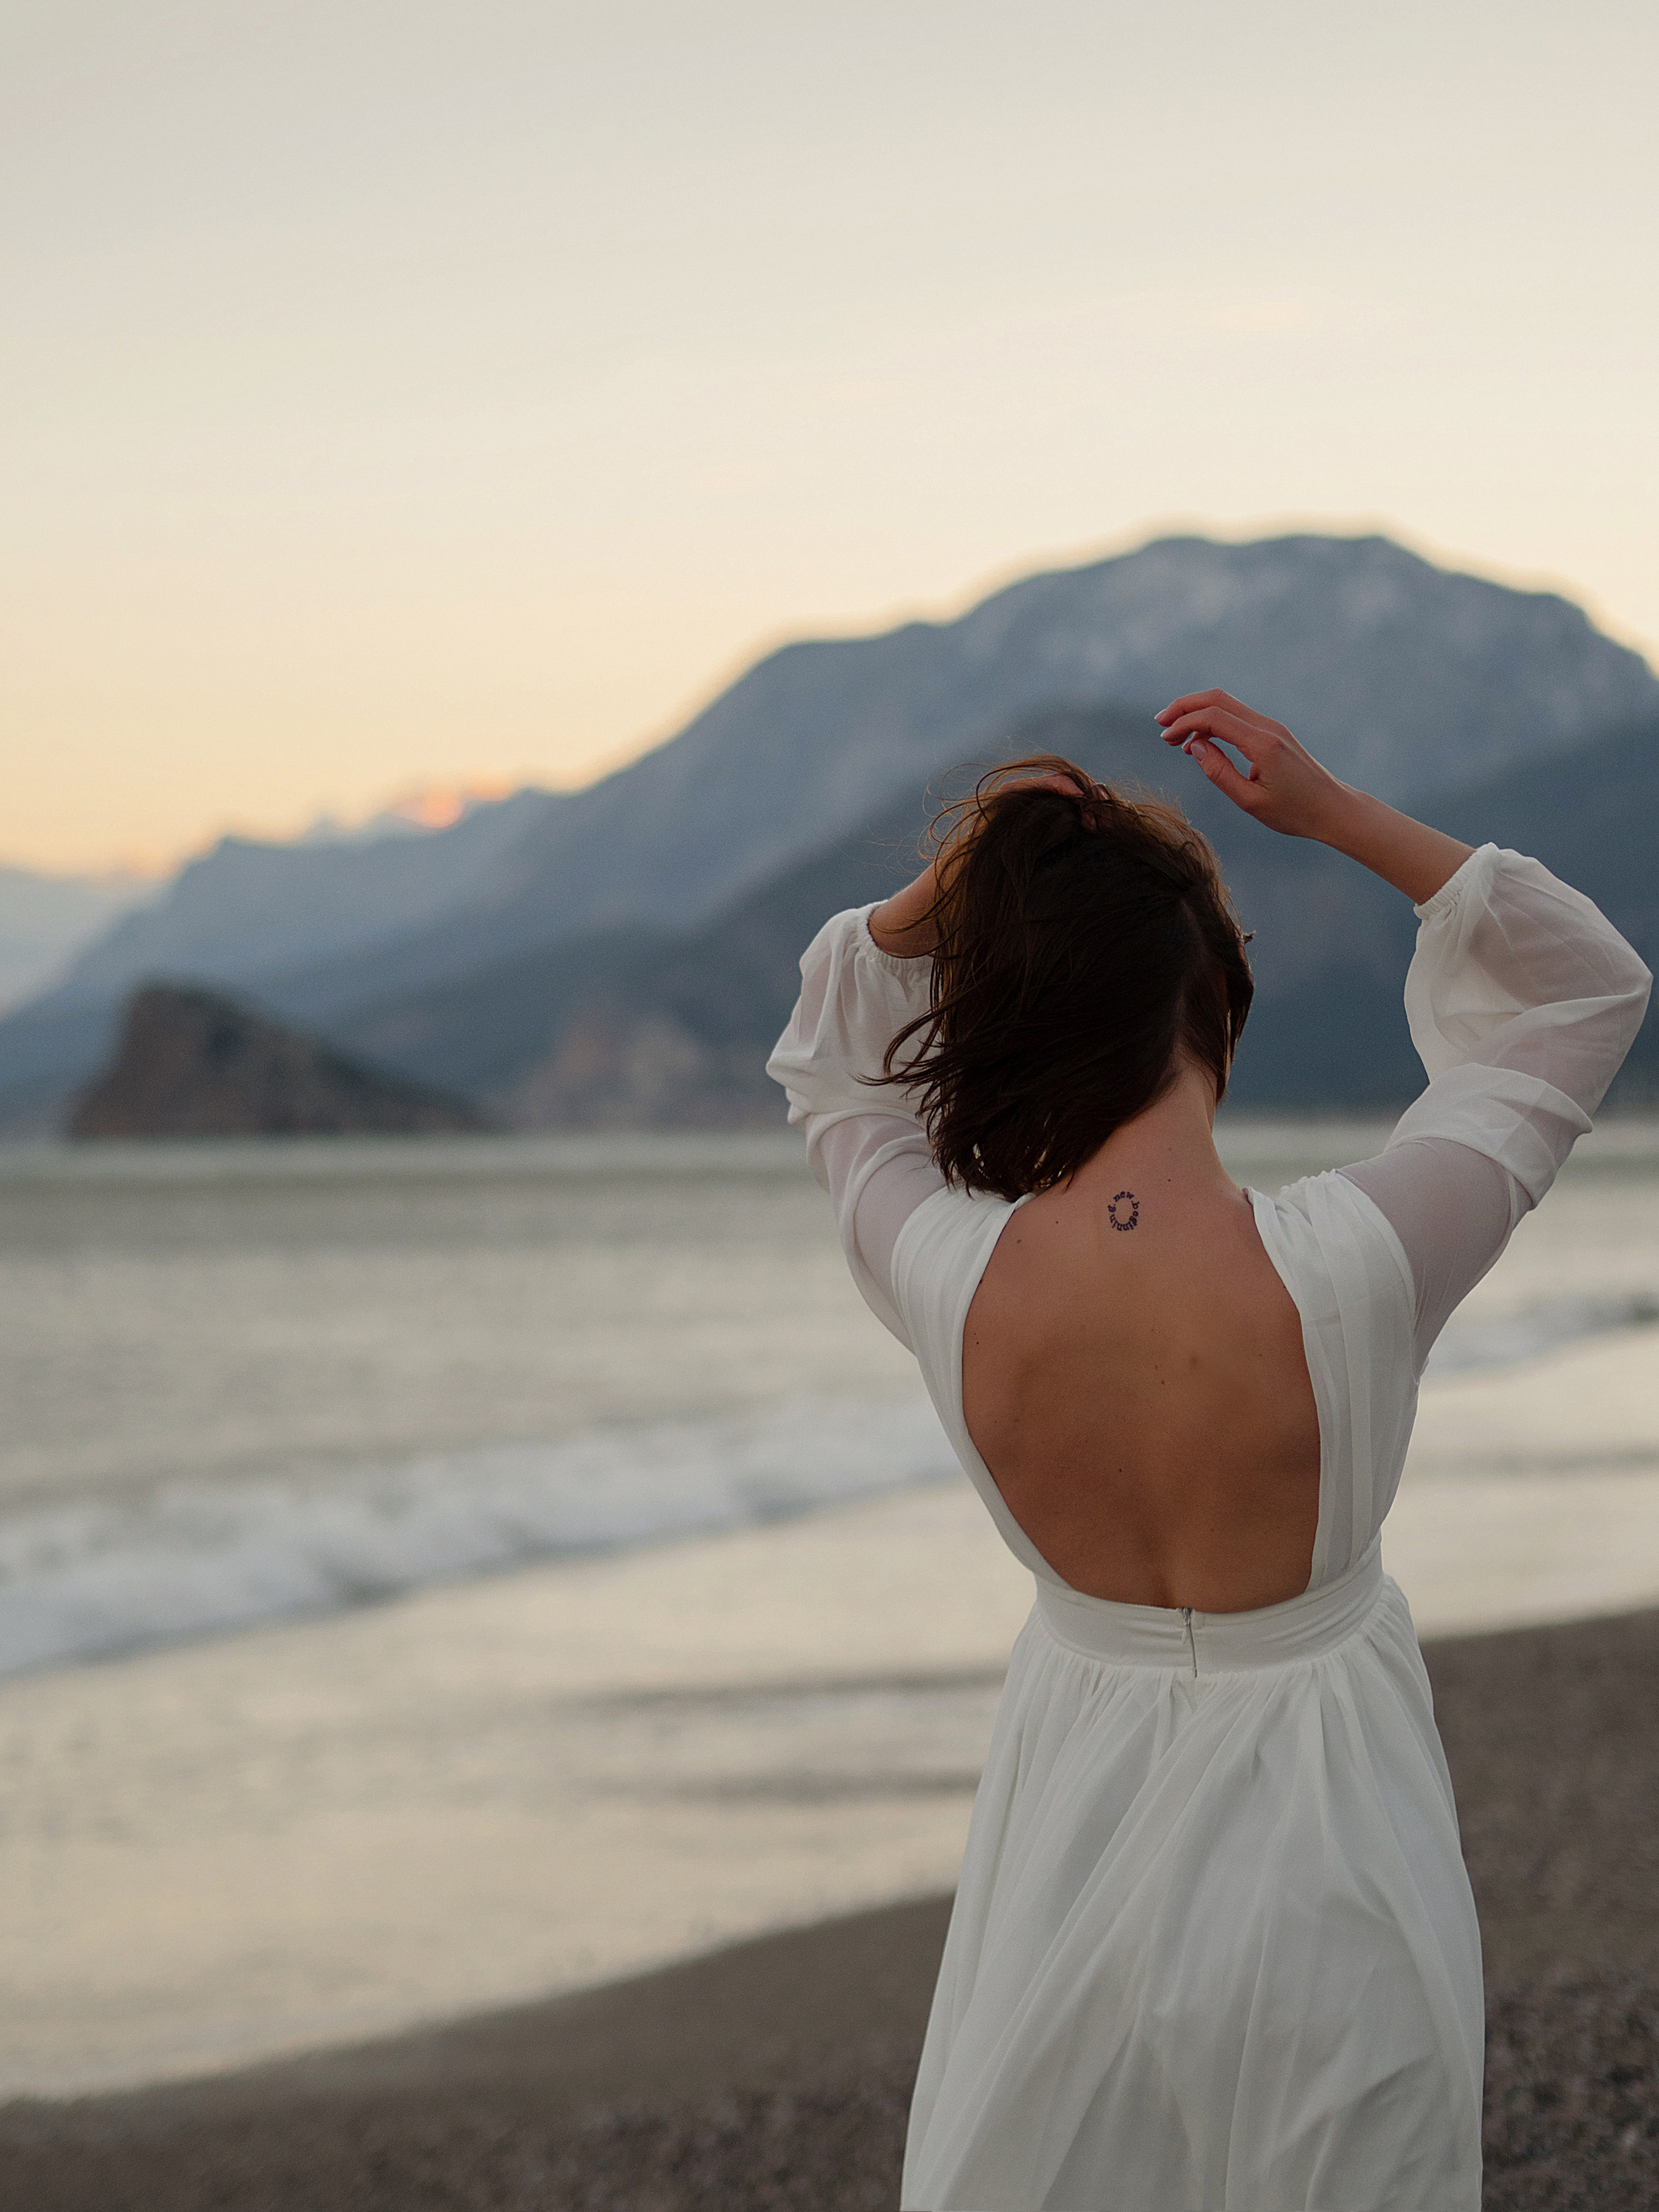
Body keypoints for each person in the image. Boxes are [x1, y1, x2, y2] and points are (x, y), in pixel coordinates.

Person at [765, 690, 1651, 2212]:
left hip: (1070, 1818)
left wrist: (958, 885)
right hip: (1326, 1822)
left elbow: (832, 1060)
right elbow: (1577, 990)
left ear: (1016, 1023)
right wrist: (1334, 814)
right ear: (1220, 999)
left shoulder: (947, 1276)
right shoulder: (1355, 1263)